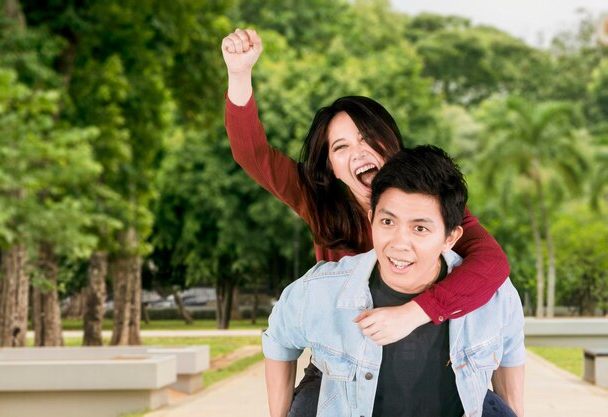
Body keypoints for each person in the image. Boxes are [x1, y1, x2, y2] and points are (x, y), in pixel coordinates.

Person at [222, 28, 511, 416]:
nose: (357, 153)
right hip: (339, 366)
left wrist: (416, 312)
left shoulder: (431, 200)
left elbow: (492, 266)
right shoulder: (317, 198)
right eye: (340, 147)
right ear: (331, 167)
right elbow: (253, 153)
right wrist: (239, 74)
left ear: (391, 143)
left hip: (426, 353)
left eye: (366, 138)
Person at [263, 145, 526, 417]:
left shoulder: (496, 298)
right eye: (388, 222)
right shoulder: (319, 291)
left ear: (450, 238)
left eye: (420, 228)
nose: (399, 244)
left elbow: (510, 359)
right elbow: (278, 339)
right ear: (371, 219)